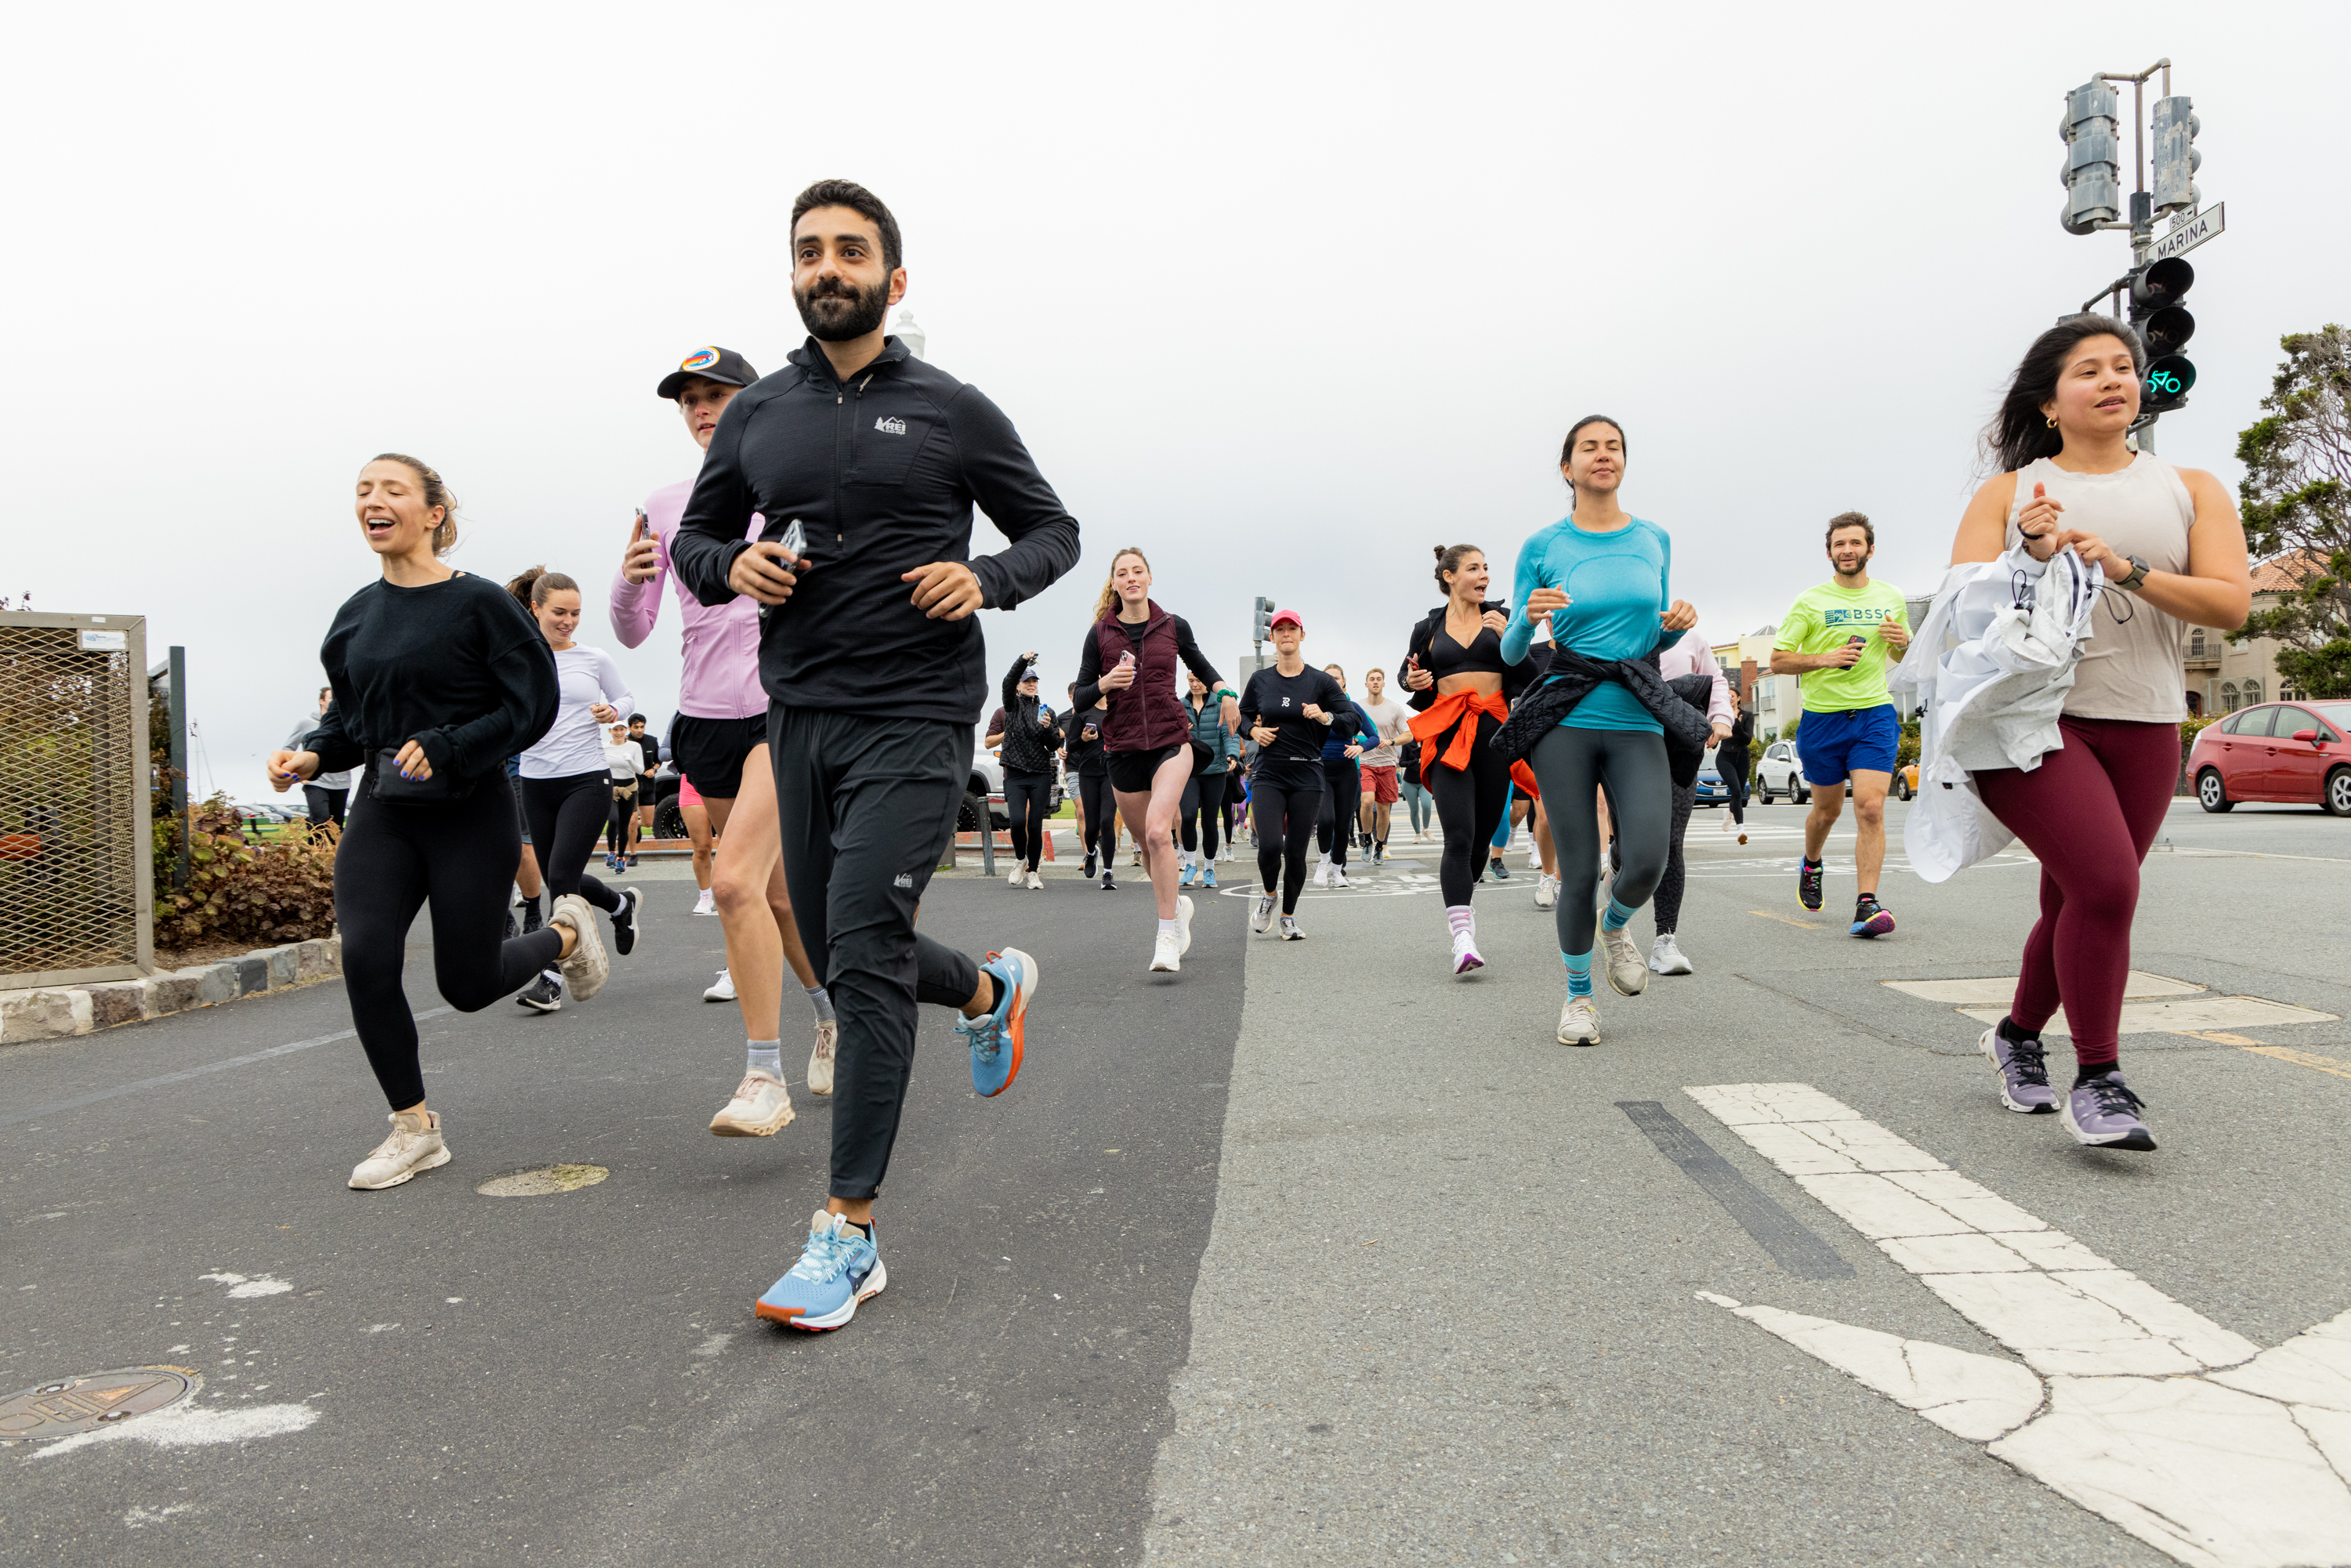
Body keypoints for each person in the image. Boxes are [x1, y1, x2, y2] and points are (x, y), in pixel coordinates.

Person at [668, 179, 1077, 1330]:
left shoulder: (952, 408)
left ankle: (847, 1233)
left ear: (893, 280)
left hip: (917, 708)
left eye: (850, 251)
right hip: (798, 710)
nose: (827, 267)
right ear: (793, 276)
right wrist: (728, 568)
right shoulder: (756, 415)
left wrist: (987, 577)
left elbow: (1053, 530)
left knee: (855, 948)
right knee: (865, 936)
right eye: (809, 252)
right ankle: (990, 988)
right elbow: (699, 540)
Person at [1949, 315, 2248, 1151]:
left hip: (2148, 722)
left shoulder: (2192, 488)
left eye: (2125, 367)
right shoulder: (2011, 495)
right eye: (2089, 371)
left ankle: (2014, 1036)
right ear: (2049, 403)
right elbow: (1962, 619)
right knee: (2110, 886)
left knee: (2076, 896)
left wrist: (2126, 568)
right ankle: (2101, 1081)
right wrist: (2035, 557)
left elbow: (2230, 602)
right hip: (2028, 724)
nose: (2114, 380)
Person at [266, 454, 574, 1190]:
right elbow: (352, 723)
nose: (374, 501)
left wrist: (450, 746)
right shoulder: (354, 619)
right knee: (366, 955)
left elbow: (532, 706)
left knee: (467, 985)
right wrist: (310, 757)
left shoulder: (482, 606)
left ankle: (565, 931)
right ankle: (414, 1126)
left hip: (471, 811)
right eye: (364, 491)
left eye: (392, 490)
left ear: (433, 512)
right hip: (384, 810)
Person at [612, 344, 835, 1138]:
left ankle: (762, 1075)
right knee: (773, 896)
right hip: (704, 717)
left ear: (755, 400)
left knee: (737, 884)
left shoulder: (793, 485)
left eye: (718, 394)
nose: (702, 409)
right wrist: (631, 577)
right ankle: (830, 1013)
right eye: (689, 400)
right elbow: (632, 631)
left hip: (784, 710)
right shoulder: (668, 504)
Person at [1500, 416, 1703, 1046]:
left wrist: (1675, 625)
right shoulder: (1543, 545)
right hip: (1566, 714)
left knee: (1647, 856)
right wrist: (1525, 618)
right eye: (1589, 447)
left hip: (1636, 710)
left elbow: (1653, 633)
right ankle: (1578, 998)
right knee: (1579, 868)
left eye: (1613, 446)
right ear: (1568, 468)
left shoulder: (1654, 538)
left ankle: (1616, 926)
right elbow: (1510, 653)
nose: (1602, 455)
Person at [1074, 547, 1231, 972]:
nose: (1131, 578)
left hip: (1170, 740)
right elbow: (1082, 695)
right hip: (1122, 747)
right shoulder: (1100, 634)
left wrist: (1227, 694)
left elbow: (1201, 663)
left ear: (1148, 578)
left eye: (1137, 571)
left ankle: (1166, 935)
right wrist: (1106, 682)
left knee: (1161, 832)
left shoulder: (1172, 625)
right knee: (1146, 843)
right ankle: (1176, 906)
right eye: (1122, 573)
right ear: (1115, 583)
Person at [507, 568, 645, 1012]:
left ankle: (550, 978)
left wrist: (612, 710)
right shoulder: (519, 659)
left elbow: (627, 698)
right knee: (556, 876)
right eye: (559, 613)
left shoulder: (593, 658)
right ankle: (620, 905)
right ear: (536, 609)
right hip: (535, 780)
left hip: (586, 779)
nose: (568, 621)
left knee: (562, 879)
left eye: (576, 613)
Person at [1770, 513, 1912, 937]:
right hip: (1822, 720)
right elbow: (1778, 660)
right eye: (1839, 544)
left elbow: (1902, 658)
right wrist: (1824, 659)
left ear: (1870, 548)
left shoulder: (1892, 597)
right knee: (1826, 812)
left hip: (1874, 713)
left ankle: (1867, 905)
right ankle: (1811, 863)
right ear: (1829, 552)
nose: (1847, 550)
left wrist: (1904, 643)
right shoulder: (1810, 601)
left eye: (1855, 543)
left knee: (1870, 807)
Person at [1403, 545, 1530, 975]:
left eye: (1487, 568)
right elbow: (1417, 687)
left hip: (1495, 732)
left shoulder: (1503, 615)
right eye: (1474, 568)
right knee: (1457, 836)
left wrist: (1514, 636)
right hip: (1449, 735)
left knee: (1478, 842)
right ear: (1449, 576)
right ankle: (1462, 937)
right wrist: (1413, 680)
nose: (1485, 576)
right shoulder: (1427, 628)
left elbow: (1532, 676)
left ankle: (1466, 902)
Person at [1239, 610, 1345, 940]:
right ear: (1272, 637)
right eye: (1279, 629)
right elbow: (1242, 717)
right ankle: (1270, 896)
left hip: (1308, 774)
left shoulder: (1321, 682)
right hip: (1269, 773)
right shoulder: (1260, 681)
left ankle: (1288, 917)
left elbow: (1349, 717)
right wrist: (1253, 732)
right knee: (1270, 845)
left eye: (1292, 629)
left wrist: (1325, 716)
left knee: (1296, 852)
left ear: (1302, 635)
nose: (1286, 634)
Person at [1647, 628, 1735, 975]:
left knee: (1671, 842)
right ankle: (1617, 910)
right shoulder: (1614, 624)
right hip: (1628, 735)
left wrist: (1721, 717)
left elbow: (1716, 679)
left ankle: (1664, 939)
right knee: (1629, 845)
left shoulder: (1687, 635)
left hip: (1679, 739)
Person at [985, 652, 1060, 888]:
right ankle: (1020, 859)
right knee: (1017, 821)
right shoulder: (1012, 706)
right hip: (1015, 773)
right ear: (1019, 686)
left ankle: (1033, 871)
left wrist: (1049, 729)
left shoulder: (1045, 711)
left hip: (1039, 774)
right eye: (1027, 681)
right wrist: (1022, 661)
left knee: (1035, 824)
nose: (1031, 685)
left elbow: (1054, 745)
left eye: (1034, 681)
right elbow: (1007, 682)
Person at [1312, 664, 1376, 889]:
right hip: (1321, 770)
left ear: (1343, 682)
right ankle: (1323, 863)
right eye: (1327, 678)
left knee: (1343, 824)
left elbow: (1374, 736)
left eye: (1336, 678)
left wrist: (1360, 748)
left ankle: (1338, 871)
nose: (1332, 681)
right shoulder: (1315, 708)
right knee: (1326, 819)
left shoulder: (1352, 707)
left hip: (1348, 771)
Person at [1179, 671, 1240, 889]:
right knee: (1186, 817)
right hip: (1188, 771)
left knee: (1209, 821)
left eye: (1199, 680)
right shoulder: (1180, 705)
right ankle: (1190, 865)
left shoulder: (1220, 704)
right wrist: (1180, 733)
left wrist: (1232, 754)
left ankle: (1209, 869)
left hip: (1215, 771)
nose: (1195, 684)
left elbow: (1229, 732)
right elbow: (1168, 735)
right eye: (1191, 681)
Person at [1063, 683, 1119, 888]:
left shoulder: (1117, 708)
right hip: (1087, 773)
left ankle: (1108, 873)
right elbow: (1071, 745)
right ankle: (1091, 852)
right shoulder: (1083, 711)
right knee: (1092, 825)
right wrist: (1084, 738)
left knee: (1107, 821)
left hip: (1110, 772)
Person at [1356, 668, 1408, 863]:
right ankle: (1367, 840)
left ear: (1384, 683)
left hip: (1387, 764)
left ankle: (1379, 845)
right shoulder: (1358, 707)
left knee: (1384, 809)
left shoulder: (1395, 708)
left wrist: (1391, 741)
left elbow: (1408, 735)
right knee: (1367, 801)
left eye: (1379, 679)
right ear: (1366, 684)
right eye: (1372, 679)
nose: (1375, 682)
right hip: (1365, 762)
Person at [284, 689, 352, 827]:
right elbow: (287, 749)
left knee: (335, 827)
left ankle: (324, 849)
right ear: (322, 701)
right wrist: (298, 774)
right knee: (321, 820)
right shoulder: (306, 723)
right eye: (332, 698)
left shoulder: (345, 722)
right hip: (315, 781)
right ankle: (313, 846)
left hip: (341, 783)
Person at [603, 715, 645, 871]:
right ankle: (611, 853)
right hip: (612, 788)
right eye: (615, 730)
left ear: (626, 730)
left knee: (624, 824)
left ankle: (621, 858)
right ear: (610, 731)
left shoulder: (634, 747)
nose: (619, 733)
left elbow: (640, 770)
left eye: (621, 730)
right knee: (613, 819)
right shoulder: (604, 747)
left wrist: (630, 761)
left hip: (629, 789)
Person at [1716, 696, 1755, 846]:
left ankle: (1729, 812)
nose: (1729, 697)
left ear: (1738, 698)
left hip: (1742, 757)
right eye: (1726, 695)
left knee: (1737, 793)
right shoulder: (1721, 716)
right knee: (1737, 792)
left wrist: (1737, 722)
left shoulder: (1747, 716)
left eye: (1732, 695)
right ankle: (1741, 831)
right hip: (1724, 757)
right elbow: (1715, 736)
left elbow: (1747, 739)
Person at [1396, 736, 1431, 841]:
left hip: (1424, 780)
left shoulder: (1429, 742)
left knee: (1426, 805)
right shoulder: (1407, 744)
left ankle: (1426, 829)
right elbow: (1402, 762)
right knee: (1414, 809)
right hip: (1409, 781)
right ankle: (1417, 834)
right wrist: (1416, 761)